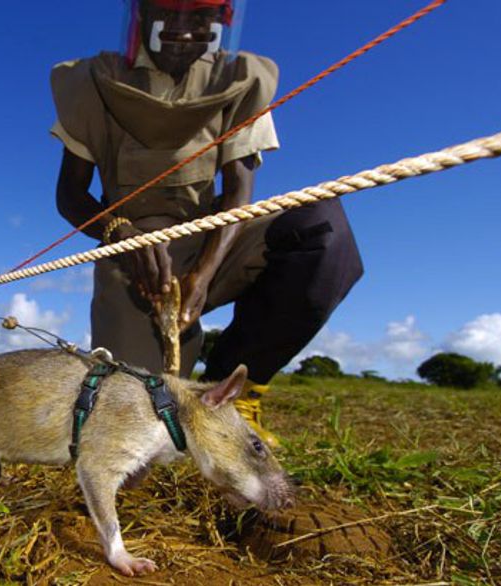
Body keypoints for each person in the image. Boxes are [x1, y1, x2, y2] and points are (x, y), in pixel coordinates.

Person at [51, 0, 363, 446]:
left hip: (214, 239)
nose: (182, 30)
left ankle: (234, 391)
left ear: (221, 22)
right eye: (168, 14)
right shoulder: (94, 80)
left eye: (199, 17)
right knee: (138, 422)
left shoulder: (240, 78)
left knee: (320, 228)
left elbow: (238, 190)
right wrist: (122, 234)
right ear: (143, 16)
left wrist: (203, 273)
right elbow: (69, 194)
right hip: (133, 257)